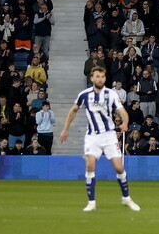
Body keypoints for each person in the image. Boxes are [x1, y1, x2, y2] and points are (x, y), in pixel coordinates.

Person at [57, 65, 142, 212]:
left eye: (102, 77)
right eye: (97, 76)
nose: (100, 79)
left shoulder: (111, 94)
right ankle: (91, 202)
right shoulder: (84, 94)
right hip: (92, 136)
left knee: (119, 167)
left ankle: (126, 198)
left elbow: (122, 111)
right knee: (90, 165)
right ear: (92, 78)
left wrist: (125, 123)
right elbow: (74, 110)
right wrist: (65, 129)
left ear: (105, 78)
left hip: (109, 136)